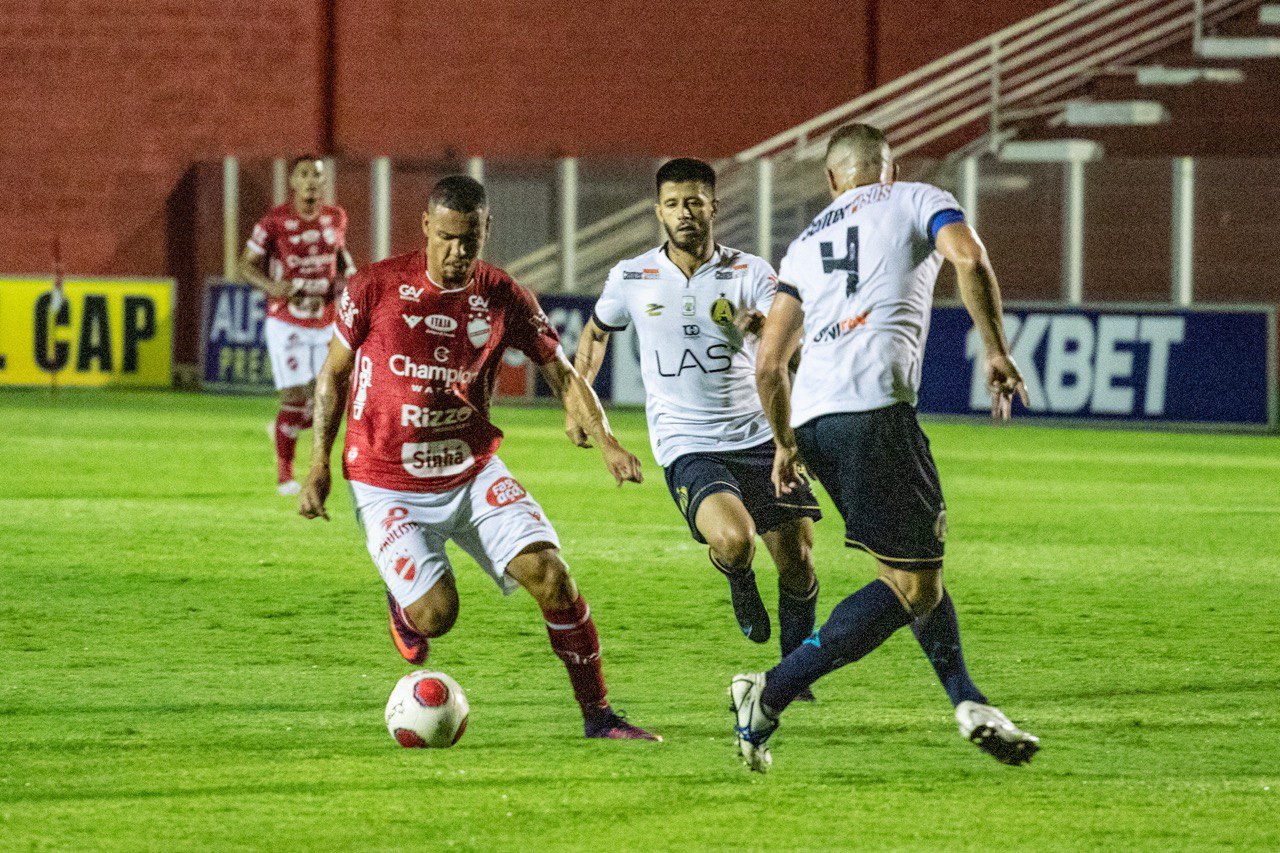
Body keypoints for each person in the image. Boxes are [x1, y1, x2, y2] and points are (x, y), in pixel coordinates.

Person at [298, 175, 659, 741]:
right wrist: (318, 463)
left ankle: (600, 717)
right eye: (446, 237)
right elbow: (333, 376)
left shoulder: (503, 295)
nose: (458, 252)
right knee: (438, 616)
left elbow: (561, 373)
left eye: (470, 239)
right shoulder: (373, 287)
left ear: (486, 230)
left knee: (553, 577)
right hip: (384, 480)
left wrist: (607, 440)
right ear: (424, 228)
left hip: (470, 471)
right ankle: (406, 599)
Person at [729, 123, 1039, 771]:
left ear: (831, 179)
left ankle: (969, 700)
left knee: (909, 571)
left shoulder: (803, 243)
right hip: (876, 411)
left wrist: (785, 444)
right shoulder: (917, 198)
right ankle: (769, 690)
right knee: (911, 583)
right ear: (888, 169)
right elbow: (969, 257)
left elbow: (767, 363)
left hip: (815, 422)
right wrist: (997, 349)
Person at [572, 158, 823, 681]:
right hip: (688, 442)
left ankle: (794, 676)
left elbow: (793, 353)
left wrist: (764, 331)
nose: (683, 213)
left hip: (761, 436)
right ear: (657, 212)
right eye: (672, 204)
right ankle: (737, 574)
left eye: (694, 202)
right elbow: (596, 334)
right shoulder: (632, 276)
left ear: (714, 205)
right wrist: (585, 404)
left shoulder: (752, 272)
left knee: (799, 563)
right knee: (736, 540)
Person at [240, 155, 356, 495]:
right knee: (295, 395)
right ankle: (285, 476)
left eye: (317, 176)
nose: (311, 181)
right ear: (292, 181)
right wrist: (271, 287)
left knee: (330, 398)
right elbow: (245, 264)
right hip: (286, 319)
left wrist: (351, 274)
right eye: (304, 175)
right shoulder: (274, 221)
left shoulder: (336, 217)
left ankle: (282, 427)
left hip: (326, 316)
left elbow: (339, 254)